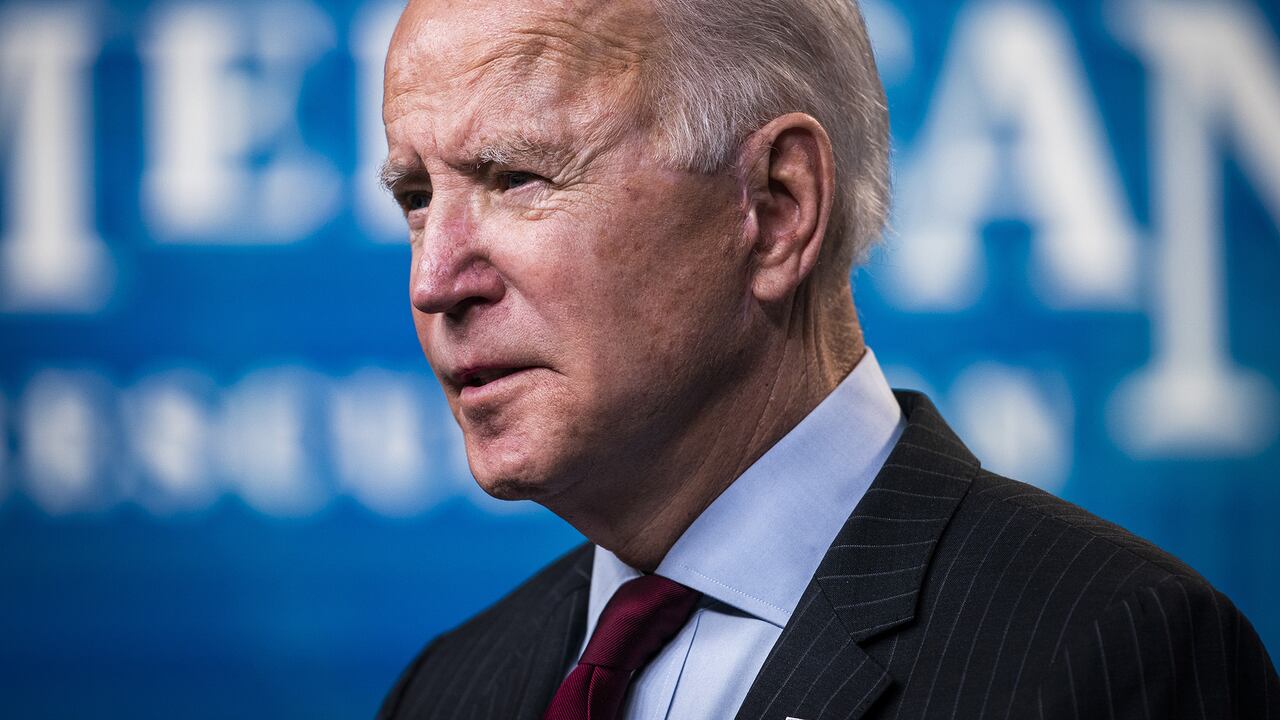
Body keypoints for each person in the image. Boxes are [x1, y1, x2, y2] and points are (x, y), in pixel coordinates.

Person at [374, 0, 1279, 717]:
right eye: (416, 197)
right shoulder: (448, 690)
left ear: (775, 207)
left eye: (516, 178)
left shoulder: (1109, 653)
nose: (433, 281)